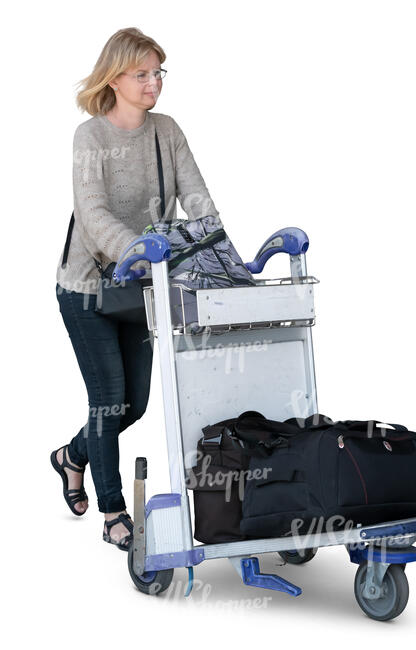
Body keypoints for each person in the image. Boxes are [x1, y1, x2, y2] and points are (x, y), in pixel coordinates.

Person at [51, 27, 219, 550]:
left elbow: (197, 196)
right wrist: (143, 250)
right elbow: (93, 213)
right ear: (114, 78)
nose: (153, 84)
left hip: (146, 286)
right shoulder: (91, 138)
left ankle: (71, 456)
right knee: (108, 400)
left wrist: (220, 253)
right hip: (88, 288)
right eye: (142, 74)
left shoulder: (166, 131)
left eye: (158, 73)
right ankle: (113, 512)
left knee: (136, 405)